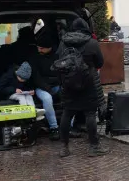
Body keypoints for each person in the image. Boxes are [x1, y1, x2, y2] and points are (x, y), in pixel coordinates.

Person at [57, 18, 107, 158]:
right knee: (90, 114)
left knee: (67, 114)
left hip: (68, 84)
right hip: (88, 83)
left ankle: (64, 147)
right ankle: (93, 146)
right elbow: (100, 62)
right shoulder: (92, 43)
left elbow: (59, 60)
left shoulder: (63, 42)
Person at [32, 29, 62, 138]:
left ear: (49, 47)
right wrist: (47, 87)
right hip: (42, 87)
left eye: (41, 48)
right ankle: (54, 128)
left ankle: (70, 126)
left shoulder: (58, 55)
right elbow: (36, 77)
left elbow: (61, 72)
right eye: (38, 47)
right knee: (47, 99)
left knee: (70, 96)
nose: (38, 49)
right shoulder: (35, 57)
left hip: (56, 85)